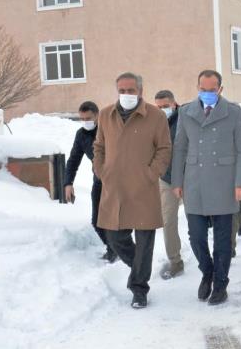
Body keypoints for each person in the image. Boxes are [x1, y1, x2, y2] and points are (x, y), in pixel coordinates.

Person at [93, 72, 172, 309]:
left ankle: (139, 289)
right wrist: (101, 170)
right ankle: (140, 268)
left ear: (140, 91)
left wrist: (150, 174)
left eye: (131, 90)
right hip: (114, 187)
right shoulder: (106, 114)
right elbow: (99, 146)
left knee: (145, 240)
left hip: (143, 188)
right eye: (122, 90)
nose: (126, 95)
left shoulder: (155, 115)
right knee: (115, 237)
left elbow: (164, 149)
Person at [171, 70, 241, 306]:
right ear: (197, 87)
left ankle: (220, 283)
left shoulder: (233, 112)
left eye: (212, 89)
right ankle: (207, 272)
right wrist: (177, 181)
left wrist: (240, 183)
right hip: (195, 182)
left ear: (220, 89)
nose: (207, 93)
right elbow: (180, 148)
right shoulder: (186, 112)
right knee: (196, 237)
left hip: (225, 183)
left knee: (223, 240)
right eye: (203, 89)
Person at [64, 101, 117, 263]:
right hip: (99, 181)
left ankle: (124, 250)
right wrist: (68, 183)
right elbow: (73, 160)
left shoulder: (110, 129)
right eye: (82, 118)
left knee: (117, 220)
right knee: (97, 221)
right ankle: (113, 249)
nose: (85, 121)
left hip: (117, 181)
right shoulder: (81, 135)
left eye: (88, 118)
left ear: (97, 116)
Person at [154, 90, 184, 280]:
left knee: (201, 219)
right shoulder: (154, 122)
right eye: (158, 107)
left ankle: (217, 253)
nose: (162, 110)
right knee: (168, 221)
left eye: (165, 106)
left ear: (174, 104)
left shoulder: (186, 118)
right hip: (166, 178)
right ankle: (175, 261)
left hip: (190, 177)